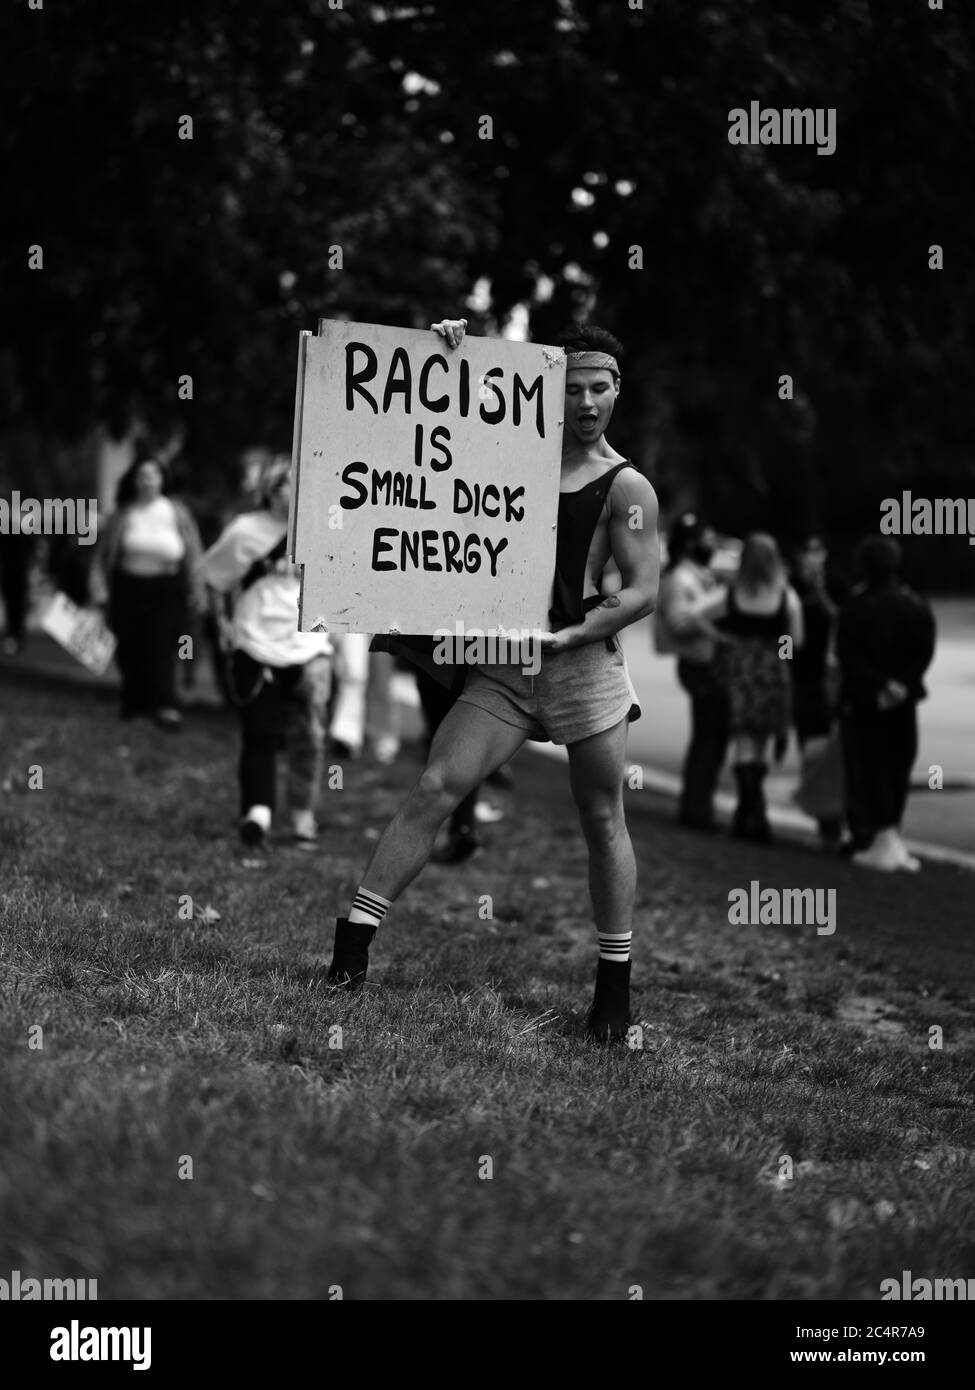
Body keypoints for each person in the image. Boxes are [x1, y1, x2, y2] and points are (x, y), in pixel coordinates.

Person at [323, 319, 659, 1043]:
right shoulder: (507, 453)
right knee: (434, 787)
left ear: (617, 390)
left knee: (603, 819)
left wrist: (573, 634)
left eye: (599, 387)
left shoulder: (627, 485)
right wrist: (451, 349)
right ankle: (349, 953)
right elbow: (421, 439)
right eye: (572, 388)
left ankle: (613, 992)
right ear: (551, 388)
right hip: (504, 667)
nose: (586, 402)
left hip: (583, 671)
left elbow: (642, 591)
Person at [198, 457, 332, 849]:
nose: (300, 488)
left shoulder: (324, 527)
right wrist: (222, 623)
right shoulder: (245, 531)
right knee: (261, 732)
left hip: (310, 647)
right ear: (272, 492)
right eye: (290, 482)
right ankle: (257, 813)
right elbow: (212, 578)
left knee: (310, 736)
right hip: (256, 644)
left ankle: (303, 814)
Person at [836, 535, 936, 873]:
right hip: (903, 699)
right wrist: (903, 683)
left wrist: (881, 683)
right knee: (898, 765)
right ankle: (890, 832)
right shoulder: (915, 603)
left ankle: (878, 835)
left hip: (865, 698)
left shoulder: (855, 605)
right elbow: (925, 650)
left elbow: (847, 654)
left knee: (869, 766)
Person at [695, 533, 804, 840]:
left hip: (740, 669)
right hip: (772, 670)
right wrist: (777, 649)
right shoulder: (785, 595)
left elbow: (696, 615)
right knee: (761, 742)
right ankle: (755, 814)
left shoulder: (733, 593)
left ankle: (748, 813)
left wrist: (724, 638)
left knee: (743, 741)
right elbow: (797, 639)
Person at [92, 453, 205, 729]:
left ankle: (165, 705)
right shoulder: (122, 513)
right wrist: (98, 590)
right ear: (134, 480)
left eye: (153, 475)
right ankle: (134, 703)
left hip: (168, 587)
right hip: (128, 586)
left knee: (161, 645)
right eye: (142, 475)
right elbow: (103, 555)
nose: (147, 481)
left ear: (163, 479)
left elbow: (194, 552)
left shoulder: (177, 512)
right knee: (130, 646)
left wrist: (198, 588)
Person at [654, 514, 729, 830]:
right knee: (708, 738)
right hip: (699, 665)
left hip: (708, 664)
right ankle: (696, 809)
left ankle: (700, 805)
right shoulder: (679, 579)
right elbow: (678, 623)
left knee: (713, 736)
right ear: (689, 544)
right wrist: (715, 625)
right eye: (707, 540)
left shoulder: (699, 576)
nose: (711, 546)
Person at [789, 536, 843, 846]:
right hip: (801, 677)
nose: (813, 557)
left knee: (831, 747)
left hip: (830, 677)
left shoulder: (834, 584)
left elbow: (842, 618)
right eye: (808, 551)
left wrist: (821, 593)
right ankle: (824, 818)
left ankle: (833, 818)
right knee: (810, 745)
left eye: (818, 551)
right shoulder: (790, 585)